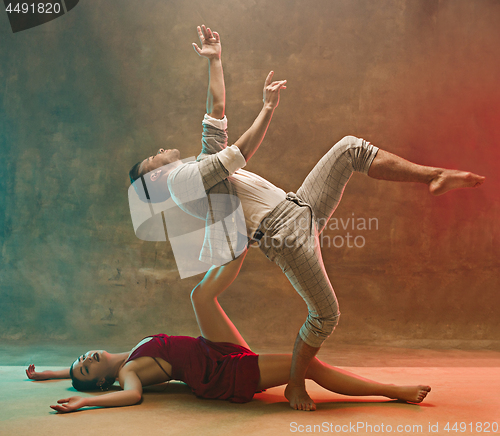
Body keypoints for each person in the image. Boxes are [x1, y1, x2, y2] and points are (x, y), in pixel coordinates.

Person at [128, 25, 485, 411]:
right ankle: (295, 385)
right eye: (154, 157)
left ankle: (434, 176)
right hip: (285, 234)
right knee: (325, 315)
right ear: (156, 177)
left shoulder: (196, 167)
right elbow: (240, 153)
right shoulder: (181, 183)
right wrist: (266, 109)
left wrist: (215, 59)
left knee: (350, 148)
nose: (161, 149)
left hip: (298, 205)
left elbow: (216, 111)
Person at [26, 252, 432, 413]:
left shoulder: (120, 356)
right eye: (84, 370)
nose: (83, 361)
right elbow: (131, 396)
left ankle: (241, 243)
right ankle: (391, 390)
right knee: (308, 366)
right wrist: (82, 405)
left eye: (80, 359)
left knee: (200, 295)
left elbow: (73, 372)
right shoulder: (127, 375)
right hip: (219, 375)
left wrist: (50, 373)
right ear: (99, 382)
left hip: (213, 350)